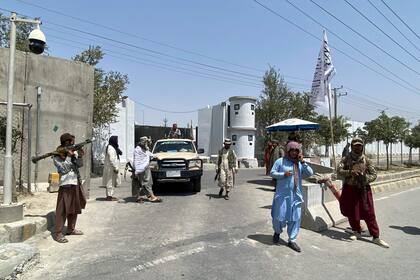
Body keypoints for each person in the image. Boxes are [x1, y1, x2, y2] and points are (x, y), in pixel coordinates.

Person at [337, 137, 389, 248]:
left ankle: (376, 237)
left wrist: (364, 178)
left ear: (362, 146)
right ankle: (356, 231)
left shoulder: (367, 160)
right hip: (350, 188)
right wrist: (350, 172)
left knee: (369, 212)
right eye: (355, 145)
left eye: (359, 145)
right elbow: (339, 171)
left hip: (363, 189)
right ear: (352, 146)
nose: (357, 147)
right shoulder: (345, 159)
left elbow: (374, 174)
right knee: (352, 211)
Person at [270, 141, 314, 252]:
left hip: (296, 196)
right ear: (288, 151)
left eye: (296, 150)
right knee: (278, 217)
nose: (294, 152)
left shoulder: (299, 163)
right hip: (282, 195)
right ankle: (277, 232)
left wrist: (303, 162)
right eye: (292, 150)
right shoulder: (280, 161)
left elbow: (310, 173)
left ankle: (292, 240)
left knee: (295, 218)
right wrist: (283, 174)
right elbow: (272, 173)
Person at [52, 133, 87, 243]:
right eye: (70, 142)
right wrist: (68, 156)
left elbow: (79, 165)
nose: (72, 143)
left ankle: (71, 229)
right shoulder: (57, 155)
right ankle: (58, 233)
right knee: (62, 209)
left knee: (75, 207)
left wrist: (80, 155)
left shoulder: (73, 152)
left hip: (75, 181)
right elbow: (63, 169)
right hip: (66, 183)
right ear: (65, 143)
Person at [133, 136, 162, 203]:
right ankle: (151, 197)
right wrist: (137, 170)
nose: (147, 144)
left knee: (146, 183)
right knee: (144, 183)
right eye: (146, 142)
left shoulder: (145, 149)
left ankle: (148, 196)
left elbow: (149, 154)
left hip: (145, 168)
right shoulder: (137, 150)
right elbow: (136, 161)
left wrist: (156, 156)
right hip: (140, 169)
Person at [102, 136, 122, 201]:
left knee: (112, 182)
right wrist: (115, 168)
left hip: (112, 168)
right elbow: (112, 159)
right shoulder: (110, 148)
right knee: (110, 182)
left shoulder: (113, 147)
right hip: (111, 168)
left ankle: (110, 195)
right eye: (116, 140)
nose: (117, 141)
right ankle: (109, 196)